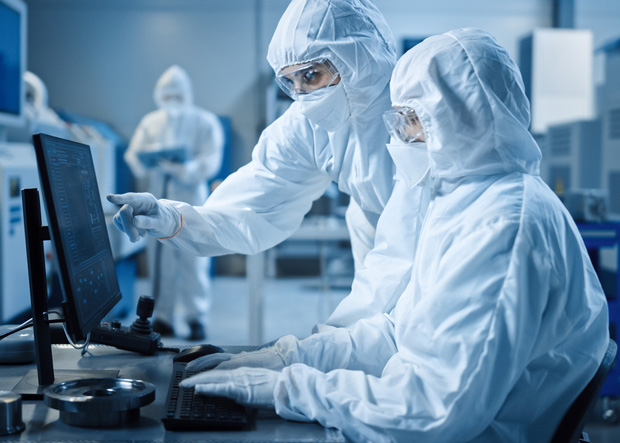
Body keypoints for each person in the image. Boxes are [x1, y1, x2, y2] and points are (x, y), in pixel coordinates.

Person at [179, 28, 610, 442]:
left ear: (461, 119)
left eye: (411, 120)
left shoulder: (503, 228)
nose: (401, 137)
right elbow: (398, 332)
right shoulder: (464, 201)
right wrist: (288, 357)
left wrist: (287, 389)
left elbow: (432, 411)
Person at [108, 0, 407, 331]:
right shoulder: (306, 125)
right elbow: (252, 207)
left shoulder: (423, 111)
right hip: (374, 258)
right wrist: (170, 218)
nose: (302, 95)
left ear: (358, 57)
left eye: (311, 75)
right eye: (291, 82)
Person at [123, 65, 225, 340]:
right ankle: (163, 317)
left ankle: (196, 318)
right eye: (167, 96)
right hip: (158, 198)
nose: (172, 101)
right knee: (161, 260)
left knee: (194, 259)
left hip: (193, 198)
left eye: (176, 95)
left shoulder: (204, 122)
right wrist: (150, 161)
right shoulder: (150, 122)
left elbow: (211, 160)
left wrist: (185, 169)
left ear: (186, 94)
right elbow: (133, 156)